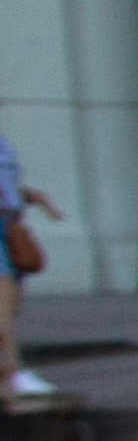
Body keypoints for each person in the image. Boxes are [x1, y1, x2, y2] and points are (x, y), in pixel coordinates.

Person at [0, 133, 61, 402]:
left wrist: (34, 197)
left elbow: (9, 187)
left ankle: (11, 375)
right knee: (2, 307)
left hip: (9, 229)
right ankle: (14, 374)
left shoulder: (4, 144)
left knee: (12, 305)